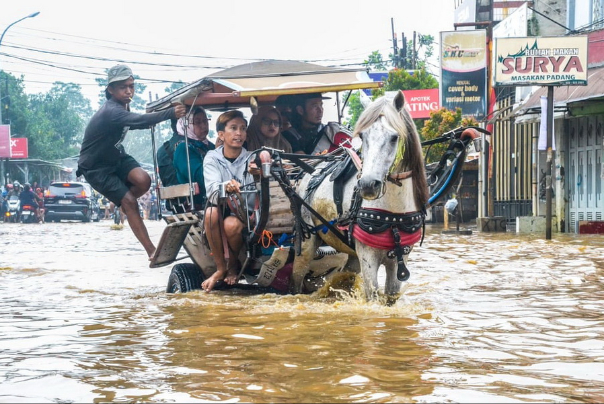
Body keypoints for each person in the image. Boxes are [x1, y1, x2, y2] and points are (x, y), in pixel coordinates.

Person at [76, 64, 186, 259]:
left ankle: (124, 204)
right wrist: (169, 113)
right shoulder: (111, 111)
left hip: (116, 156)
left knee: (144, 181)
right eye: (122, 87)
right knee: (130, 202)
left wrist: (157, 115)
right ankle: (152, 251)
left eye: (131, 86)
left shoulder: (124, 106)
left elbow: (136, 124)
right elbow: (139, 121)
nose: (128, 91)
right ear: (110, 90)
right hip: (96, 167)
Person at [202, 110, 257, 292]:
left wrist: (259, 175)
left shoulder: (252, 158)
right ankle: (221, 268)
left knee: (232, 225)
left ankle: (233, 264)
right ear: (221, 134)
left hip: (244, 212)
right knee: (210, 214)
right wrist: (226, 186)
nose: (238, 133)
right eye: (233, 128)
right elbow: (211, 189)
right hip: (219, 208)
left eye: (242, 129)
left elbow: (258, 191)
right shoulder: (212, 157)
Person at [172, 106, 215, 210]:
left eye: (205, 121)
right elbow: (199, 176)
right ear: (187, 125)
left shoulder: (211, 146)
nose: (204, 125)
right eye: (198, 122)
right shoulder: (183, 148)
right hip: (199, 202)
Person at [282, 92, 350, 155]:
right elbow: (303, 161)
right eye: (314, 106)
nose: (320, 110)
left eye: (321, 105)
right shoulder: (289, 135)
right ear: (300, 110)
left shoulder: (330, 131)